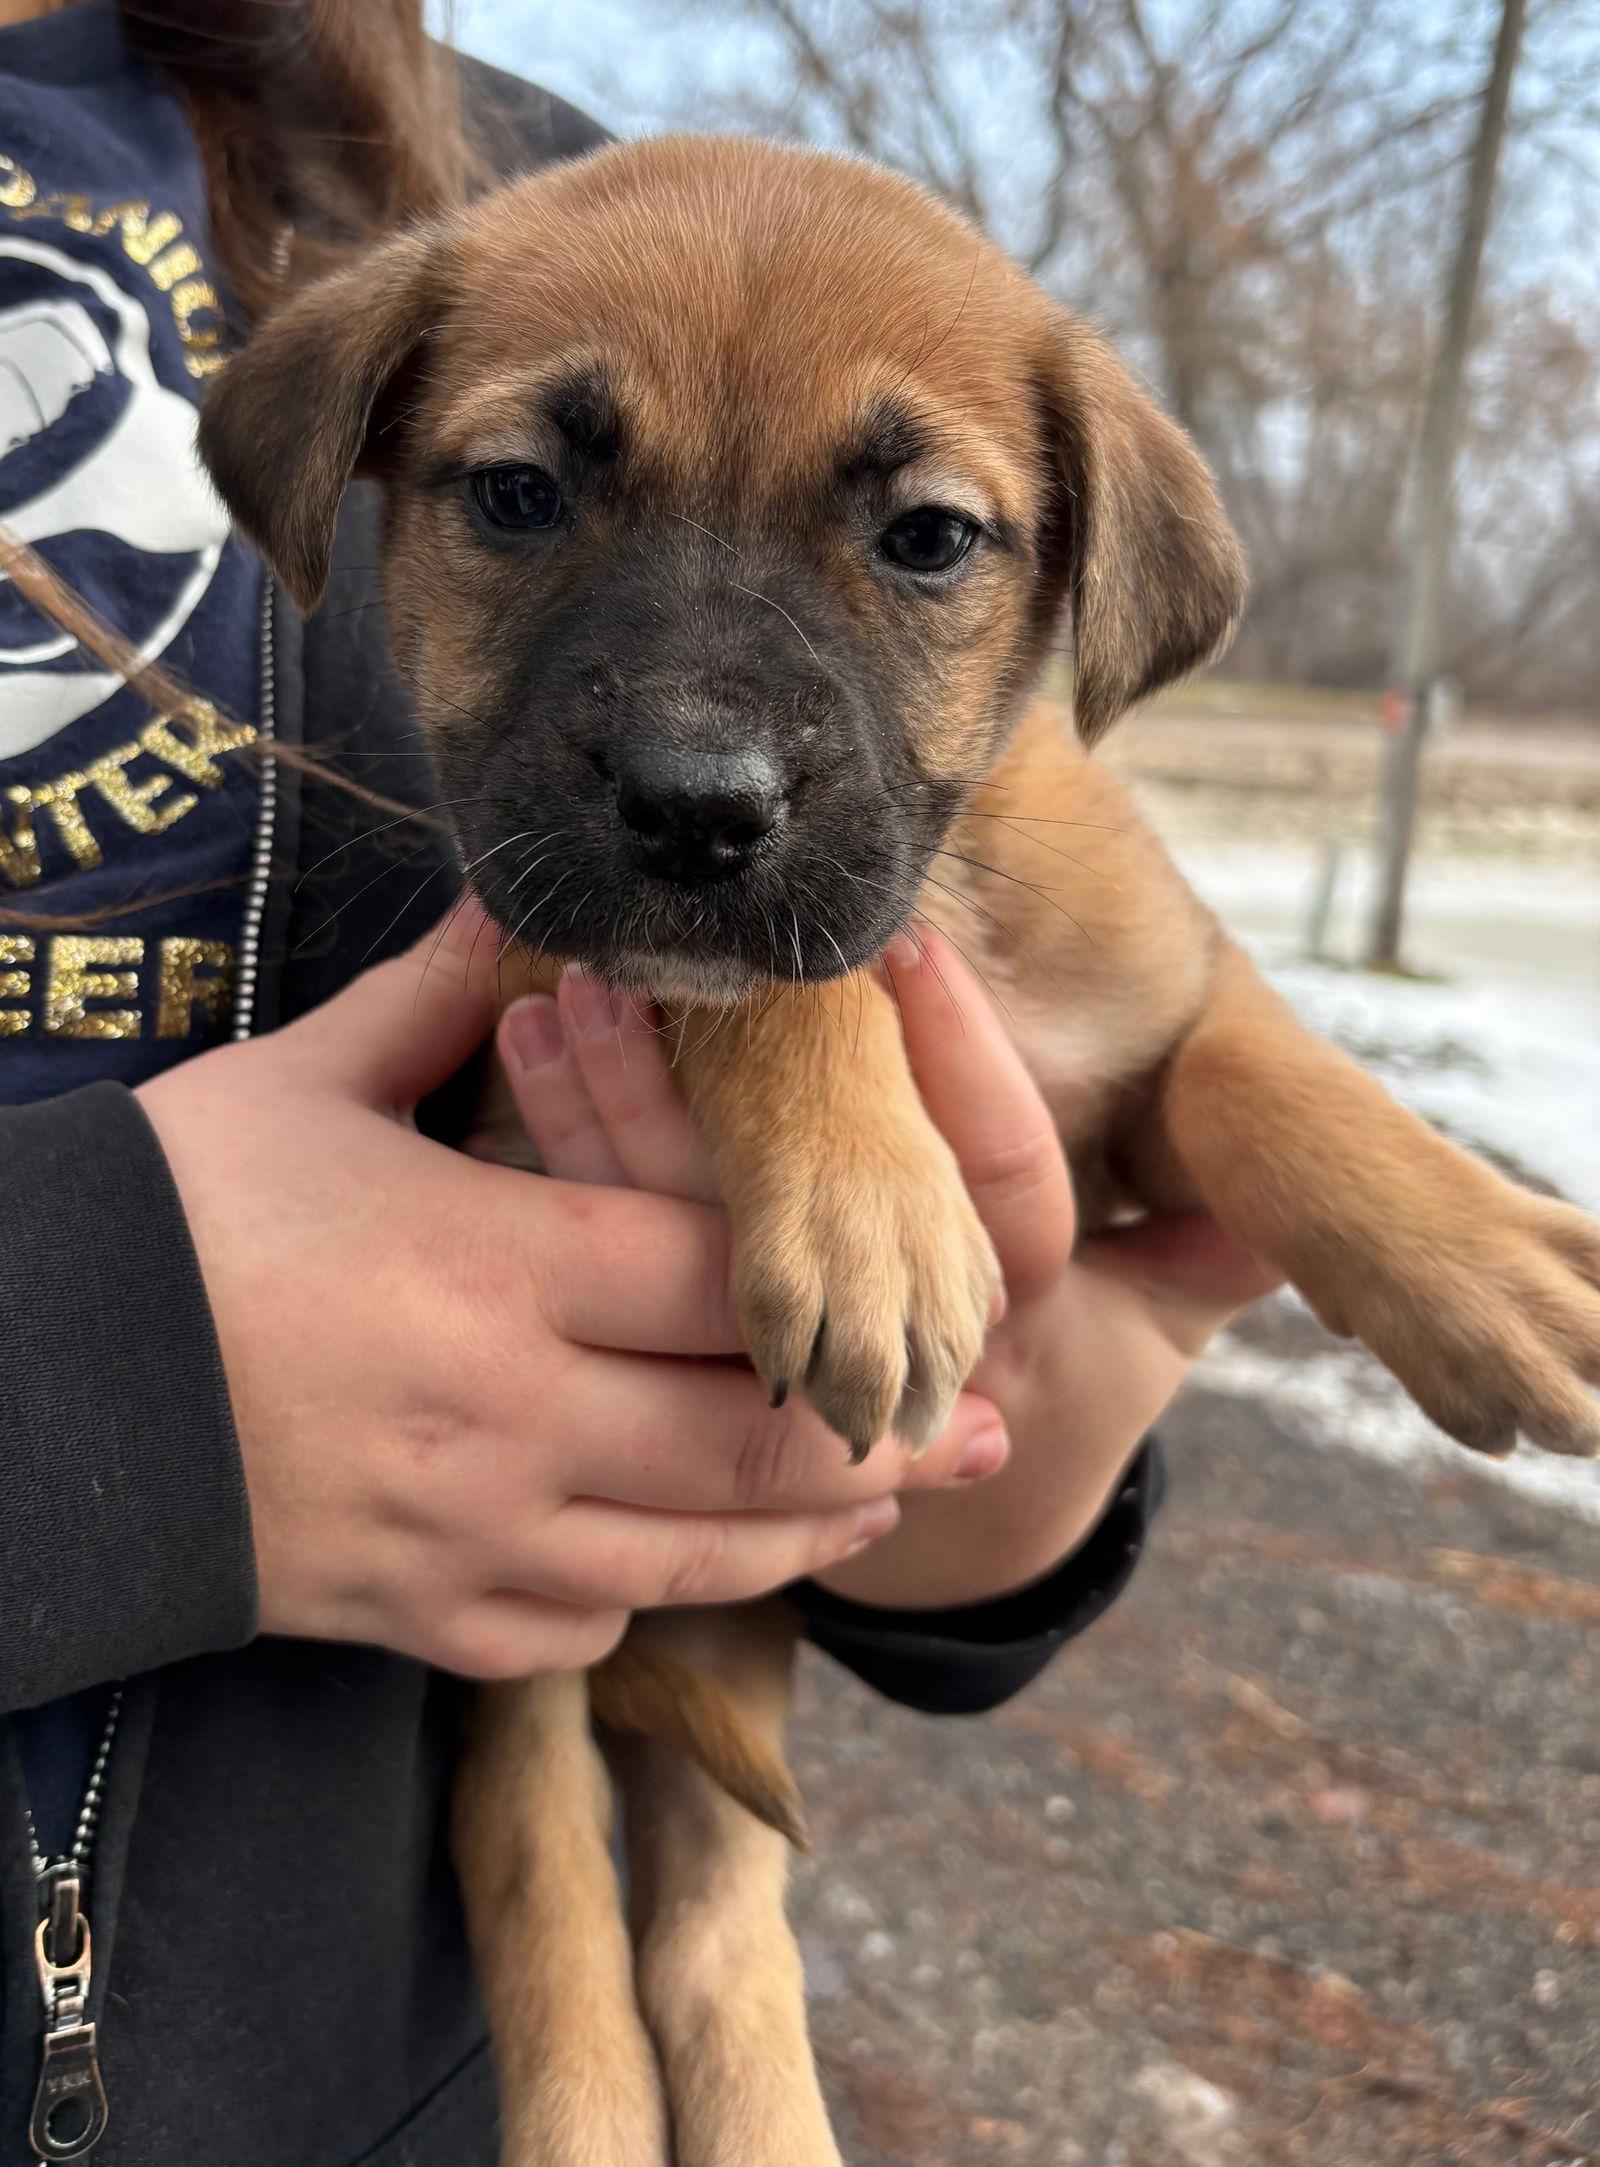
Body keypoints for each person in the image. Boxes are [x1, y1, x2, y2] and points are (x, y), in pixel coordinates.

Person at [0, 3, 1275, 2159]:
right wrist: (100, 1384)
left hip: (379, 2074)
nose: (698, 738)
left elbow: (1006, 1084)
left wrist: (985, 1482)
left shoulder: (519, 183)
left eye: (922, 539)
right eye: (518, 500)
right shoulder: (462, 274)